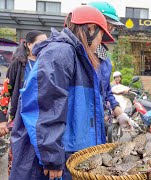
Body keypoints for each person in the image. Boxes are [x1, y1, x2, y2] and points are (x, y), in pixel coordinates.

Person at [9, 5, 130, 180]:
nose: (101, 42)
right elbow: (43, 107)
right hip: (50, 158)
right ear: (90, 28)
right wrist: (52, 158)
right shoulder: (61, 52)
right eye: (102, 33)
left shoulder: (82, 56)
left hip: (70, 150)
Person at [0, 30, 47, 175]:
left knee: (37, 163)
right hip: (19, 122)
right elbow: (6, 92)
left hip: (39, 123)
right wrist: (2, 120)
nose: (44, 46)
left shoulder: (46, 64)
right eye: (40, 43)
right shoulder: (17, 65)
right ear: (28, 44)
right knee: (17, 161)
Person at [89, 1, 131, 131]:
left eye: (112, 27)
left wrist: (120, 114)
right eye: (109, 24)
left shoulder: (104, 58)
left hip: (97, 122)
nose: (110, 30)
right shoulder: (73, 53)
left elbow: (106, 91)